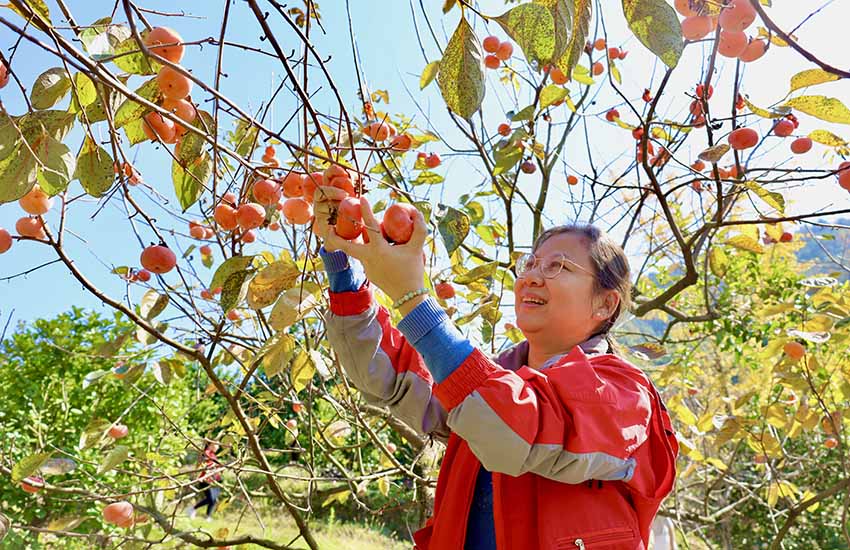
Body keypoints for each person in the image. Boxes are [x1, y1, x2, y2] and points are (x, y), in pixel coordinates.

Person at [312, 187, 679, 549]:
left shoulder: (625, 394)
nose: (533, 276)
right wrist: (341, 256)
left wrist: (414, 300)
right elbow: (388, 376)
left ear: (604, 303)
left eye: (558, 266)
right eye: (531, 264)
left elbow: (523, 430)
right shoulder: (488, 381)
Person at [186, 442, 222, 520]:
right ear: (211, 444)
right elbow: (205, 465)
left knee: (213, 500)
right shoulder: (207, 453)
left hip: (214, 480)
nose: (218, 447)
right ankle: (192, 509)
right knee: (211, 499)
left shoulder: (213, 454)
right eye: (217, 445)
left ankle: (207, 516)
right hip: (206, 480)